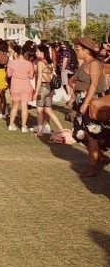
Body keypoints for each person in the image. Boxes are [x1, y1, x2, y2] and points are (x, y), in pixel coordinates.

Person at [69, 36, 108, 177]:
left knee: (91, 135)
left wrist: (85, 102)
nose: (76, 50)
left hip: (91, 101)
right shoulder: (83, 64)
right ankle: (101, 157)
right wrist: (74, 97)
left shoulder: (94, 63)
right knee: (78, 132)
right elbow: (73, 80)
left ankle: (93, 167)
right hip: (82, 100)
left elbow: (94, 84)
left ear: (87, 50)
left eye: (78, 49)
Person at [32, 43, 67, 137]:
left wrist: (36, 92)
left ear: (42, 52)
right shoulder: (50, 63)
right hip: (50, 88)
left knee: (39, 110)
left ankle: (40, 131)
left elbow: (39, 78)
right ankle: (61, 129)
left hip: (42, 87)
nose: (36, 53)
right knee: (49, 110)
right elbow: (54, 74)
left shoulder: (40, 63)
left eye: (37, 51)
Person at [6, 43, 35, 132]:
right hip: (26, 85)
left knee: (14, 106)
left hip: (15, 85)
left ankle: (11, 125)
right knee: (24, 106)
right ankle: (23, 126)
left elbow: (8, 75)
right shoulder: (29, 64)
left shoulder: (11, 63)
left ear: (16, 53)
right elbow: (31, 76)